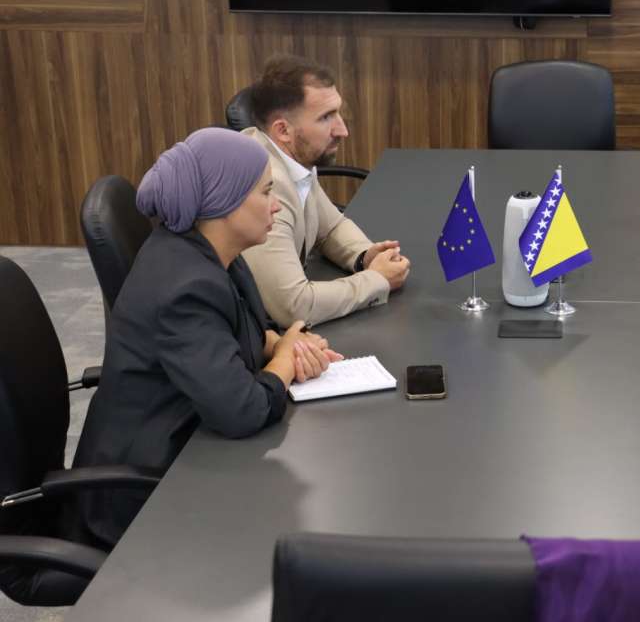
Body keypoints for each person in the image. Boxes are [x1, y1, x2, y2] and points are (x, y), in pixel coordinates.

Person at [73, 128, 344, 549]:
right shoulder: (185, 288)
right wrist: (286, 361)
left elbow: (239, 328)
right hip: (140, 497)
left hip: (185, 447)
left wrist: (279, 344)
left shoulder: (213, 254)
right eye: (265, 192)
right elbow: (243, 411)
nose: (276, 205)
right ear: (225, 203)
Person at [240, 55, 410, 327]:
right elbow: (294, 306)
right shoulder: (264, 183)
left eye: (338, 112)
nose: (342, 130)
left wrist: (366, 256)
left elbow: (330, 228)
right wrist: (376, 280)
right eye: (326, 117)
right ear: (283, 130)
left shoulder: (292, 158)